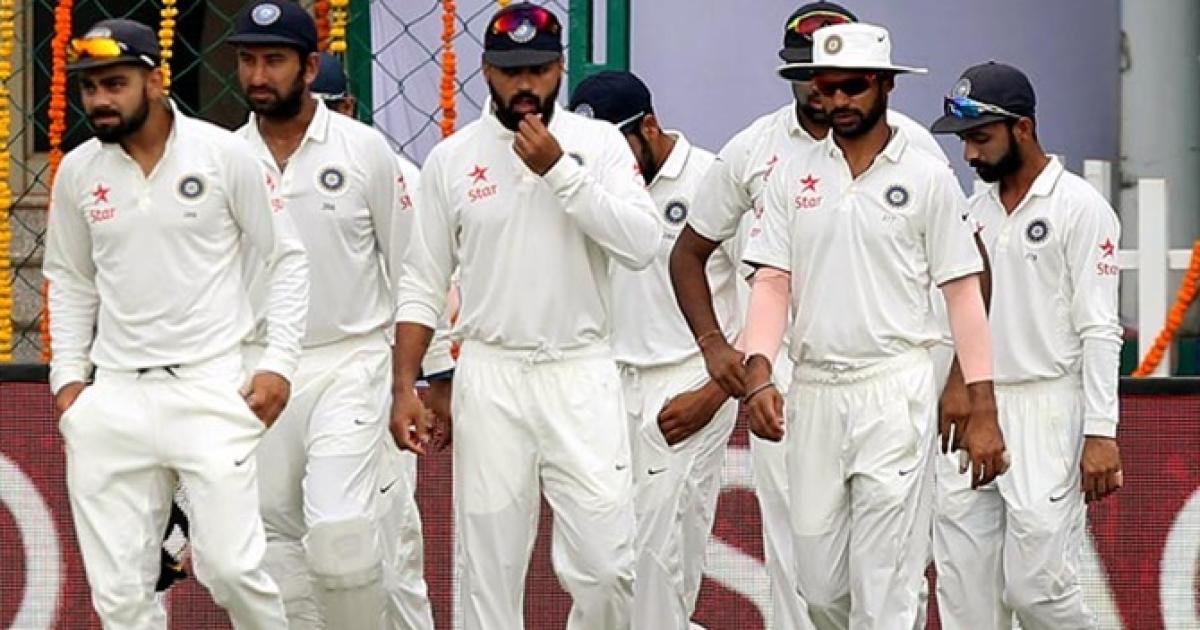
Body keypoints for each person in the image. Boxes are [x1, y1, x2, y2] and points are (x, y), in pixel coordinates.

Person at [667, 4, 949, 628]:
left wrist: (954, 379)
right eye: (812, 74)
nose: (827, 92)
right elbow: (689, 253)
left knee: (890, 567)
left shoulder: (912, 146)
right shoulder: (755, 150)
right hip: (786, 378)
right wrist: (718, 351)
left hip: (892, 369)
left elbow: (957, 267)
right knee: (803, 565)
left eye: (847, 78)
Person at [390, 3, 661, 628]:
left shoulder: (597, 145)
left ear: (561, 68)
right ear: (486, 70)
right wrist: (407, 385)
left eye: (538, 69)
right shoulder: (452, 159)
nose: (525, 86)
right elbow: (422, 280)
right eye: (510, 71)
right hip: (492, 371)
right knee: (488, 570)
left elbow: (642, 244)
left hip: (580, 367)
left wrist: (560, 172)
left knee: (607, 567)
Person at [734, 23, 1009, 629]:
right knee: (819, 587)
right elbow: (772, 281)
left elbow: (964, 291)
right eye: (825, 87)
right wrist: (758, 368)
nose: (837, 100)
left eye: (852, 87)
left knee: (885, 583)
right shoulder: (790, 174)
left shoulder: (926, 174)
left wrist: (980, 403)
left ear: (886, 85)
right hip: (814, 390)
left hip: (894, 389)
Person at [43, 18, 307, 628]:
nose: (100, 100)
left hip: (209, 386)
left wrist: (278, 364)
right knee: (120, 596)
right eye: (89, 87)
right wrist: (69, 382)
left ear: (156, 82)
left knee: (232, 571)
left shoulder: (224, 155)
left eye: (115, 84)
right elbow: (71, 280)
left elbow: (287, 258)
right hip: (114, 393)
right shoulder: (79, 171)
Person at [227, 2, 443, 627]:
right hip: (258, 369)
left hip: (351, 361)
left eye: (274, 60)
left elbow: (414, 269)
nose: (258, 75)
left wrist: (422, 381)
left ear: (308, 65)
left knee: (341, 535)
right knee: (271, 550)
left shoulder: (363, 150)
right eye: (247, 60)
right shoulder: (222, 157)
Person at [929, 62, 1124, 630]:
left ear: (1023, 128)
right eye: (964, 141)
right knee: (967, 597)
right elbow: (951, 317)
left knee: (1037, 590)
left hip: (1047, 408)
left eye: (980, 138)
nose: (969, 154)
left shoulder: (1080, 208)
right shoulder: (970, 212)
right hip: (975, 406)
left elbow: (1099, 328)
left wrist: (1101, 432)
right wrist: (956, 389)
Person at [568, 71, 738, 630]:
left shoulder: (712, 178)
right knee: (601, 557)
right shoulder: (593, 187)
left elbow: (763, 293)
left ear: (648, 126)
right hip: (610, 382)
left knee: (660, 557)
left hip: (689, 379)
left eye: (615, 144)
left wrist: (714, 393)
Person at [310, 49, 439, 630]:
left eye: (328, 107)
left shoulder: (395, 171)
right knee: (299, 553)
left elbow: (424, 281)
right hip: (284, 383)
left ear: (349, 106)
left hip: (371, 378)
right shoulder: (248, 162)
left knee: (390, 549)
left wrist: (423, 380)